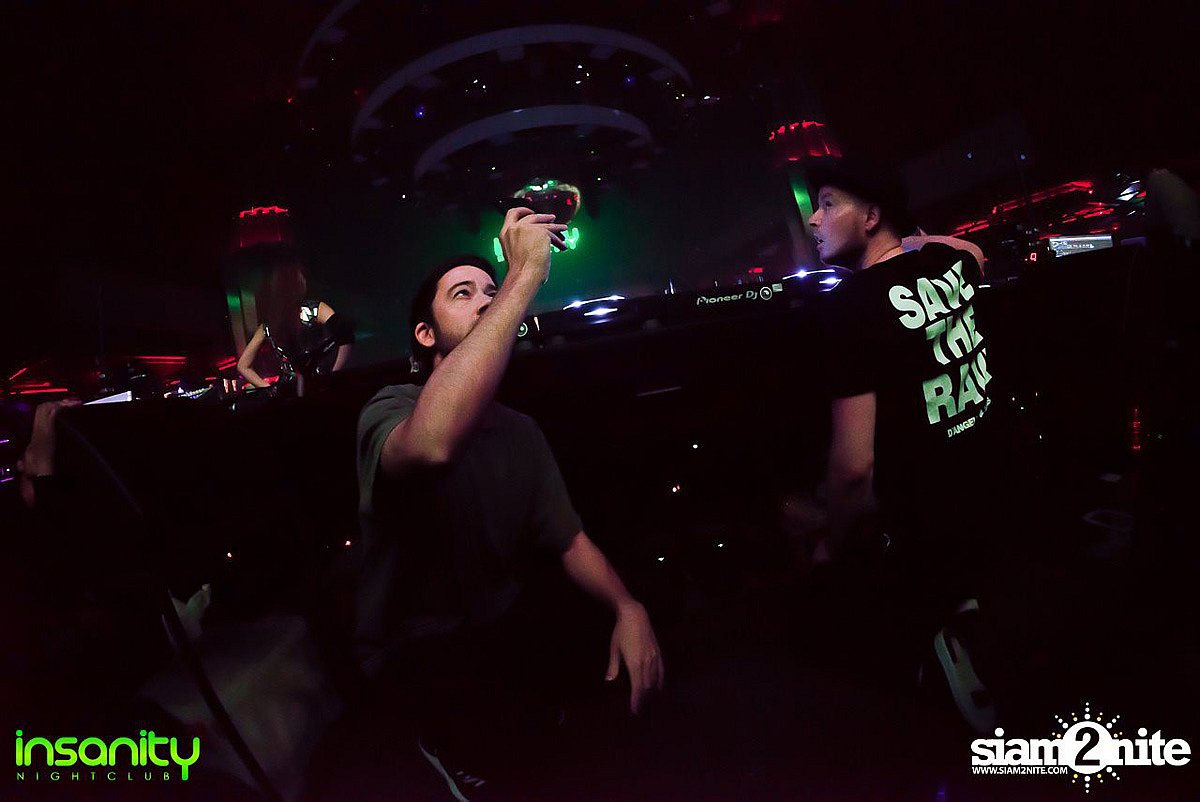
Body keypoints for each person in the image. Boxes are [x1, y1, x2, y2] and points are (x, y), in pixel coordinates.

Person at [354, 208, 663, 797]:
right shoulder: (390, 408)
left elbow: (568, 538)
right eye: (463, 294)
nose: (486, 302)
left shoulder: (519, 430)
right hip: (415, 645)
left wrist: (628, 606)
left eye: (490, 292)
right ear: (425, 334)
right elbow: (433, 444)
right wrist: (522, 276)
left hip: (498, 625)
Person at [805, 155, 1000, 733]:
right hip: (988, 488)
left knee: (802, 513)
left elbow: (855, 471)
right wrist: (914, 240)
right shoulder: (948, 265)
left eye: (828, 204)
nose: (813, 219)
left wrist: (830, 546)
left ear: (871, 218)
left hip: (921, 524)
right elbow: (968, 249)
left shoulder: (849, 308)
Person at [236, 247, 353, 396]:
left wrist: (271, 389)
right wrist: (270, 389)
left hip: (306, 388)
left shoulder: (308, 311)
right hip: (305, 388)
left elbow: (346, 335)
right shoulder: (311, 310)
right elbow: (243, 366)